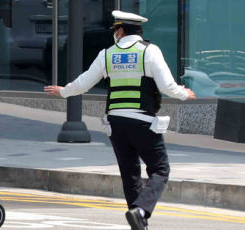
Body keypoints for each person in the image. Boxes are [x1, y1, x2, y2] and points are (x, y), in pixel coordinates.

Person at [45, 10, 195, 230]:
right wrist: (185, 94)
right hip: (142, 120)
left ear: (121, 31)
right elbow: (166, 86)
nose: (114, 34)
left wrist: (64, 91)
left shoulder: (107, 54)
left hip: (116, 122)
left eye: (115, 30)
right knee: (160, 169)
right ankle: (140, 211)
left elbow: (85, 82)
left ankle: (138, 220)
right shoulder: (149, 51)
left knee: (129, 172)